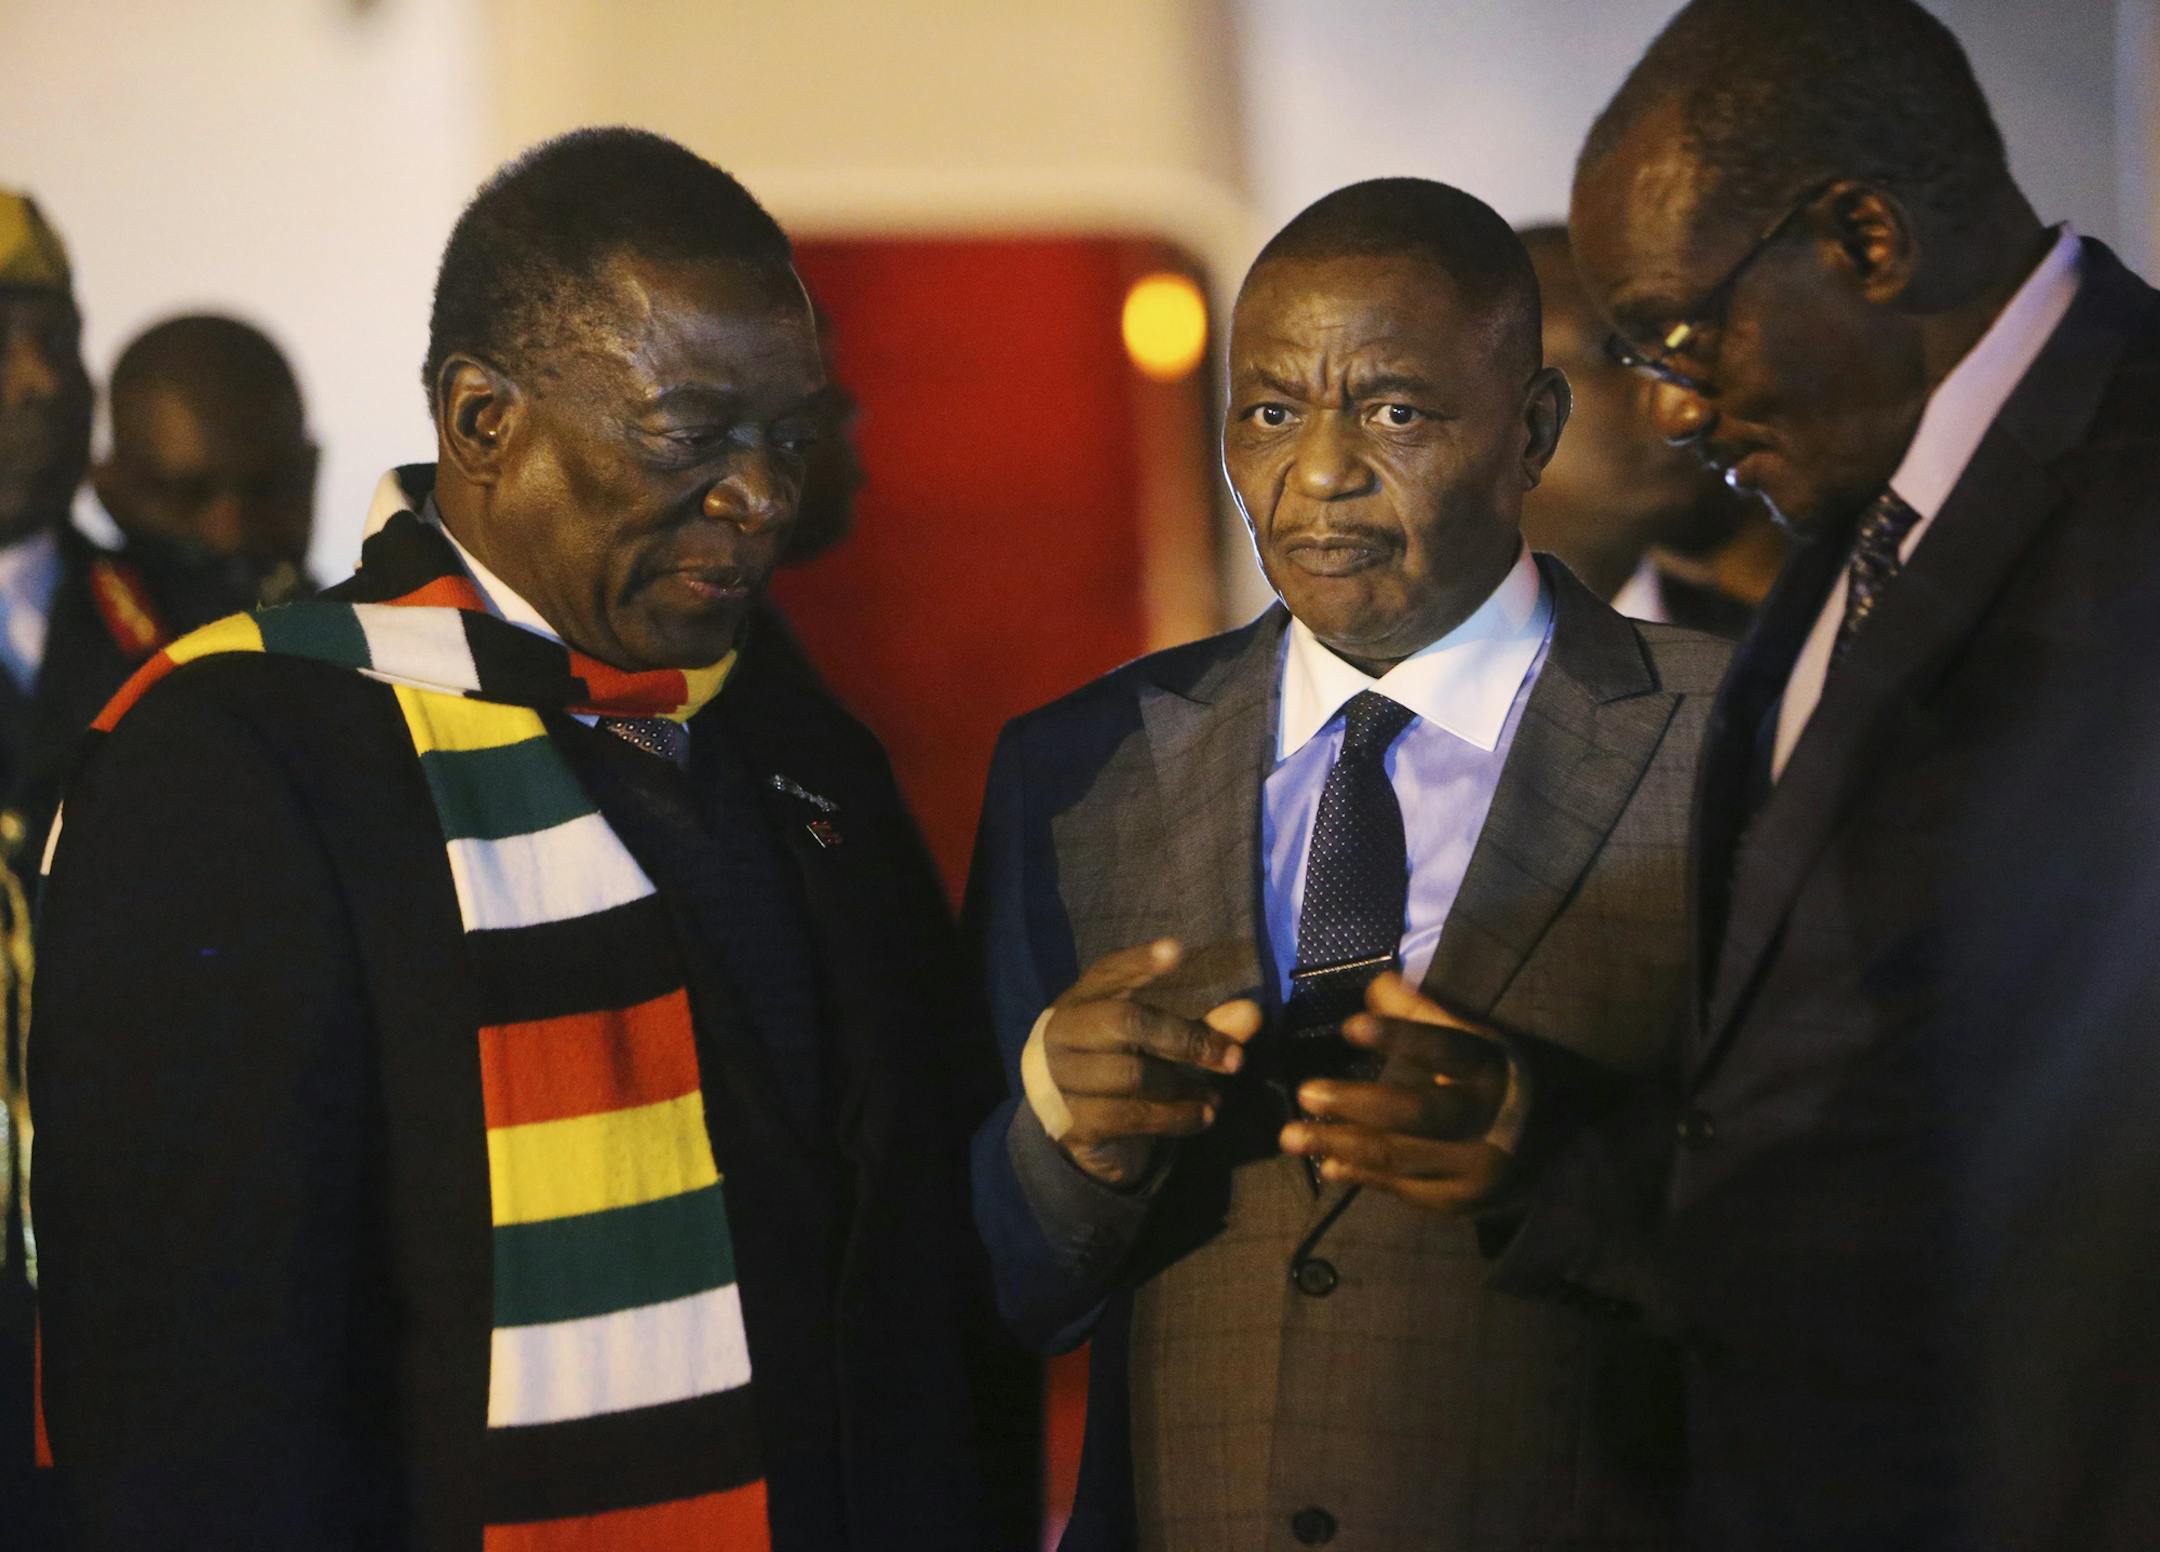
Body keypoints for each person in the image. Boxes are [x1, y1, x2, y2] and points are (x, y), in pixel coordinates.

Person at [31, 129, 1008, 1550]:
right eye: (693, 435)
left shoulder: (796, 736)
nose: (764, 498)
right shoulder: (243, 755)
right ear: (483, 420)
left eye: (789, 436)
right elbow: (193, 1402)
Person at [969, 177, 1730, 1550]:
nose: (1319, 473)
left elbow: (1875, 1239)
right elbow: (995, 1289)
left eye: (1393, 413)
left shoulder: (1741, 738)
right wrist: (1062, 1129)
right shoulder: (1078, 768)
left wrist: (1539, 1147)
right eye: (1270, 413)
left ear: (1532, 429)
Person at [1513, 0, 2160, 1544]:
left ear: (1864, 239)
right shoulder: (1851, 535)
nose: (1674, 410)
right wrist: (1525, 1145)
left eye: (1680, 336)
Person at [0, 190, 238, 1551]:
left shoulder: (201, 627)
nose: (43, 381)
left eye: (60, 337)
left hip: (151, 1315)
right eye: (2, 341)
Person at [1515, 224, 1774, 636]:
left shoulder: (1770, 641)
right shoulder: (1426, 670)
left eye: (1678, 341)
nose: (1682, 390)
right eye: (1615, 353)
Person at [93, 312, 319, 604]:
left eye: (267, 490)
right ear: (111, 493)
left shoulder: (354, 629)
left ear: (309, 476)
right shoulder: (47, 626)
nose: (232, 535)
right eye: (189, 496)